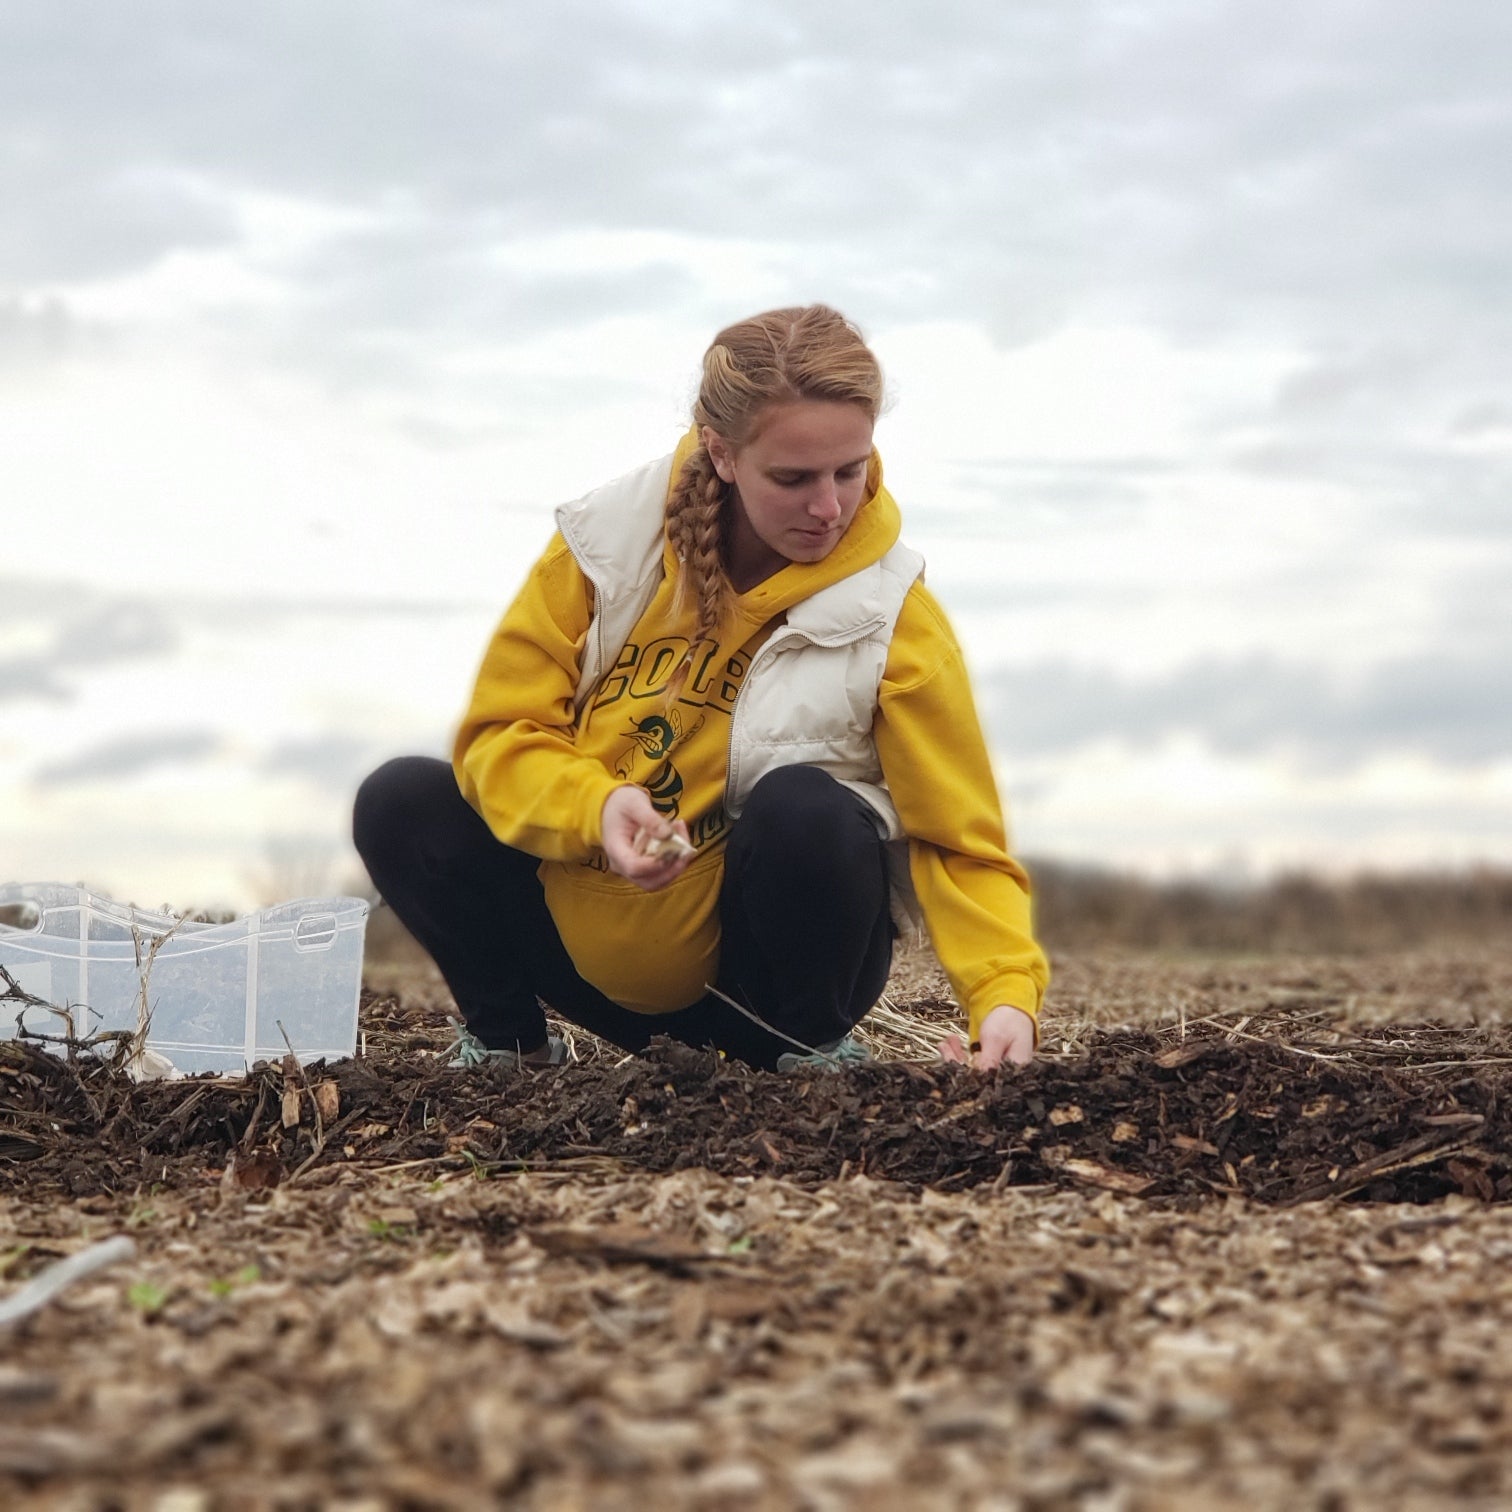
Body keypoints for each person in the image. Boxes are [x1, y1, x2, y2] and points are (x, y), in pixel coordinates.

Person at [354, 305, 1048, 1073]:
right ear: (720, 452)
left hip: (761, 993)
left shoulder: (893, 614)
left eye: (851, 471)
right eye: (793, 478)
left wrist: (1004, 995)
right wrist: (595, 806)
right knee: (401, 799)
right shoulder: (606, 543)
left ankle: (805, 1059)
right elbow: (500, 736)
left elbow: (960, 838)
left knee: (807, 810)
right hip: (579, 954)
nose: (829, 507)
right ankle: (509, 1048)